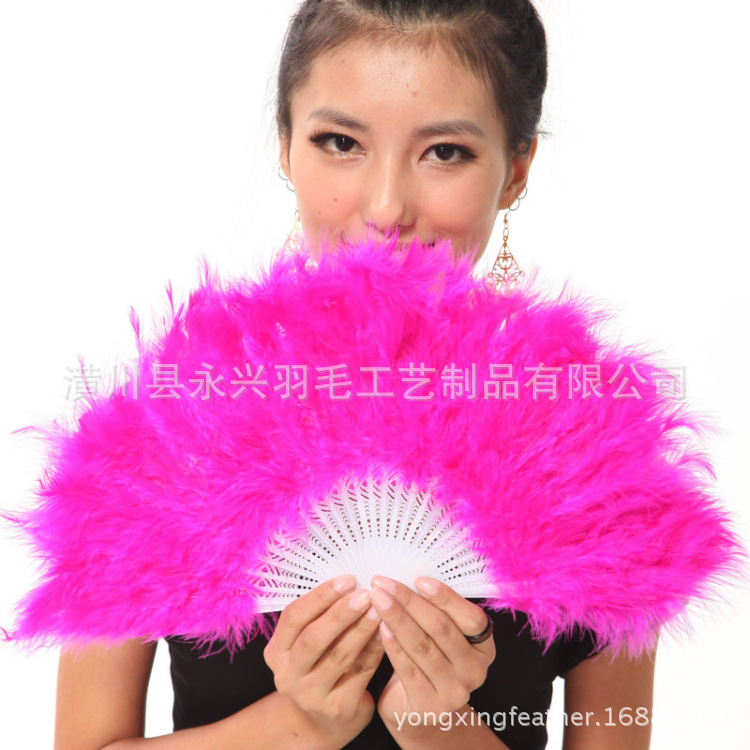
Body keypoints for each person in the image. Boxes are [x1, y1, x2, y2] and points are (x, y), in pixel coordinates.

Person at [53, 2, 656, 749]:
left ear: (516, 168)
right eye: (340, 143)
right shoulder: (170, 430)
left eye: (445, 152)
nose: (386, 208)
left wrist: (441, 732)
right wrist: (293, 727)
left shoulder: (596, 459)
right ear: (285, 146)